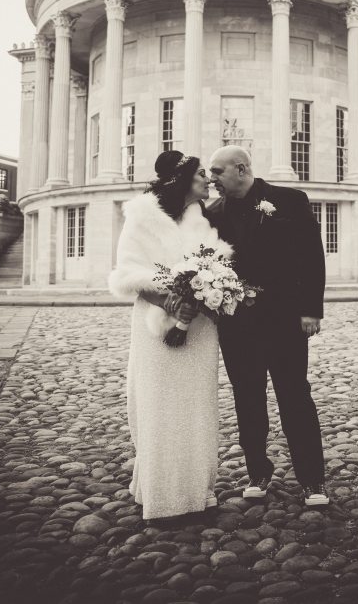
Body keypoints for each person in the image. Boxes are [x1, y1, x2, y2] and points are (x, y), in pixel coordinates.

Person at [108, 151, 233, 521]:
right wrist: (170, 303)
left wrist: (210, 293)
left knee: (197, 406)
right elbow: (129, 273)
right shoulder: (141, 217)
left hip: (200, 331)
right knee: (159, 406)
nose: (208, 180)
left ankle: (197, 491)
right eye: (201, 174)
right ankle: (162, 495)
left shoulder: (201, 218)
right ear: (182, 179)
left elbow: (218, 264)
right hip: (156, 327)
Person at [207, 146, 329, 507]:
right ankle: (258, 472)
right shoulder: (212, 213)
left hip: (285, 320)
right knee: (247, 399)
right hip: (237, 326)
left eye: (217, 171)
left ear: (240, 169)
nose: (212, 179)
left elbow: (312, 257)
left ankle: (313, 480)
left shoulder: (290, 200)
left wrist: (311, 310)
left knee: (295, 397)